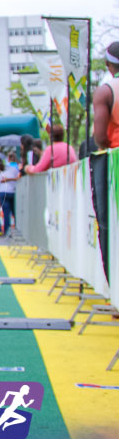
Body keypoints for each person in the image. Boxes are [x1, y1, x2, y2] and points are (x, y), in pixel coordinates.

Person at [90, 41, 119, 270]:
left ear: (109, 65)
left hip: (115, 160)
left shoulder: (106, 90)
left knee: (110, 226)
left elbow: (99, 137)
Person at [0, 154, 20, 237]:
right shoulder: (15, 168)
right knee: (14, 212)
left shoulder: (1, 170)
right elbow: (18, 178)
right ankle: (17, 229)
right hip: (12, 192)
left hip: (3, 192)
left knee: (6, 213)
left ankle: (7, 231)